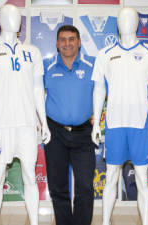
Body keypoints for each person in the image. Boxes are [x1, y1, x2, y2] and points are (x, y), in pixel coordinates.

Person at [0, 4, 50, 225]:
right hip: (1, 123)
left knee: (29, 175)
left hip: (27, 124)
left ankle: (34, 222)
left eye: (17, 16)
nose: (13, 20)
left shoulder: (32, 52)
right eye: (8, 15)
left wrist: (43, 122)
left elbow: (38, 89)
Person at [91, 7, 148, 225]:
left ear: (137, 23)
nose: (126, 22)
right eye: (122, 18)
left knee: (143, 179)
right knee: (111, 177)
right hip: (114, 125)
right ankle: (105, 222)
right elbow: (98, 89)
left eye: (131, 18)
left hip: (141, 125)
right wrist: (96, 122)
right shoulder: (104, 54)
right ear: (117, 23)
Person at [43, 25, 96, 225]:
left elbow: (107, 92)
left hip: (84, 133)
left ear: (79, 42)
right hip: (55, 132)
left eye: (71, 39)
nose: (67, 43)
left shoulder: (93, 65)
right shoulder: (46, 67)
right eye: (63, 39)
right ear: (56, 44)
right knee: (58, 187)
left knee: (84, 187)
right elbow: (33, 94)